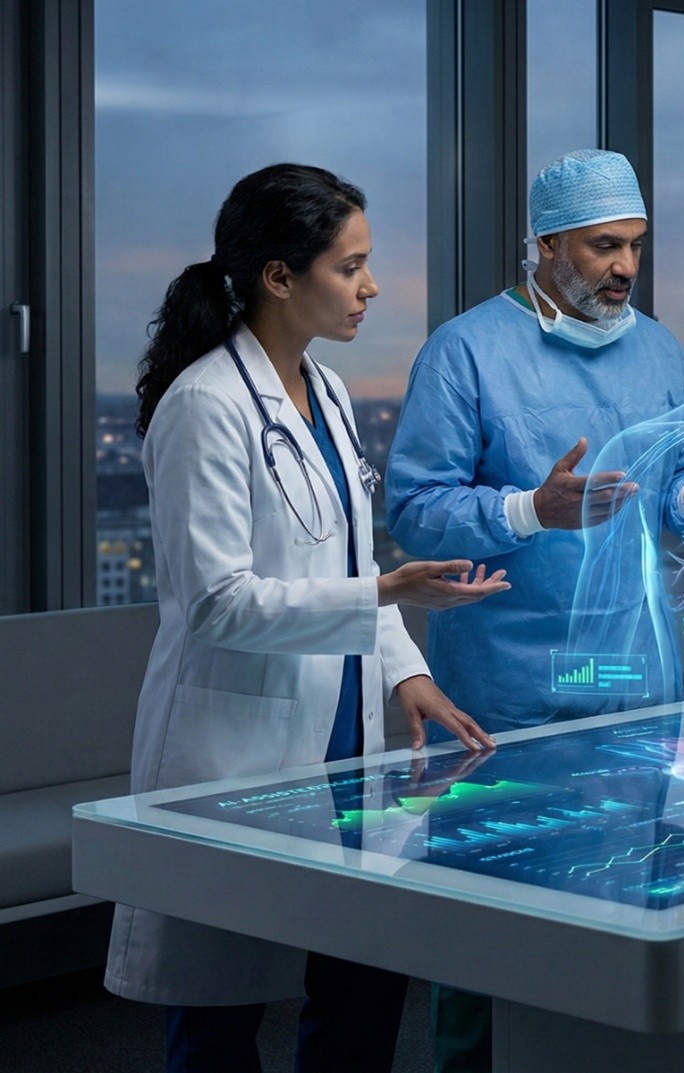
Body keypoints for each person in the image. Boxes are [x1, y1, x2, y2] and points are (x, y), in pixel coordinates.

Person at [106, 163, 511, 1073]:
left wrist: (406, 666)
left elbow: (351, 563)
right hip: (238, 746)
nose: (371, 288)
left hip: (343, 743)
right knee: (219, 1018)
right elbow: (216, 603)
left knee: (362, 992)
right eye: (351, 266)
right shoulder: (205, 406)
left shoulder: (324, 394)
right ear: (279, 277)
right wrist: (385, 594)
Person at [385, 148, 684, 1073]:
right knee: (489, 921)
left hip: (635, 681)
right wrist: (531, 508)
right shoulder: (467, 351)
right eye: (603, 245)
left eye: (636, 247)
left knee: (622, 910)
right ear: (542, 244)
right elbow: (414, 510)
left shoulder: (655, 349)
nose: (623, 267)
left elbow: (680, 514)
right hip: (510, 692)